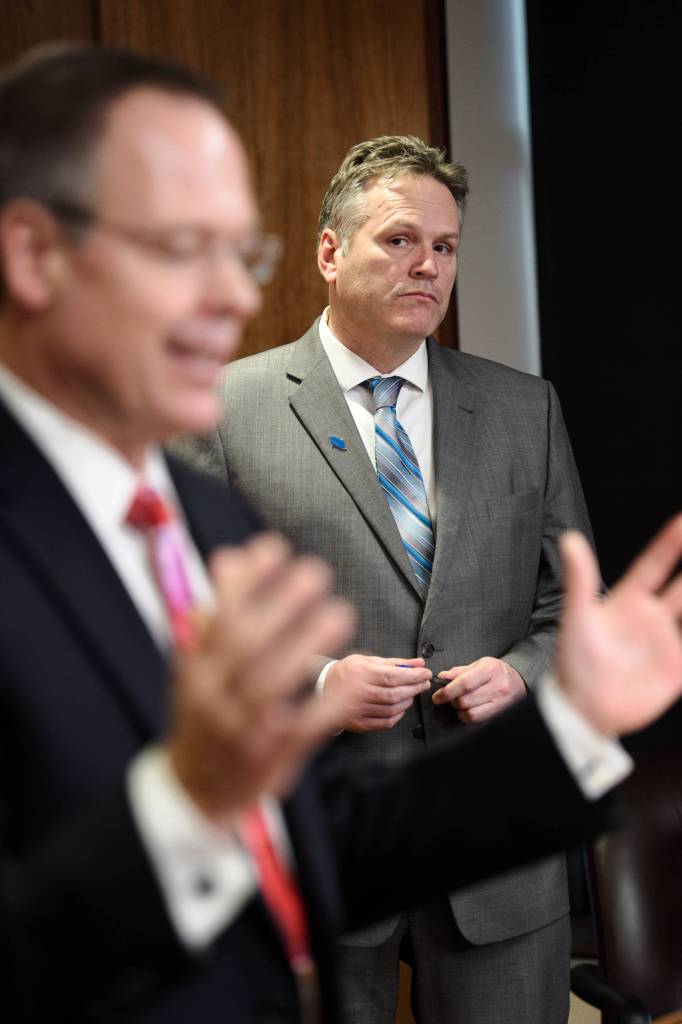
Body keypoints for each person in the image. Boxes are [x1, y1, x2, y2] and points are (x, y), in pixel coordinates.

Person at [1, 44, 681, 1024]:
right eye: (181, 248)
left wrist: (571, 716)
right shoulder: (205, 434)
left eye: (240, 255)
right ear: (34, 255)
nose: (234, 298)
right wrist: (199, 796)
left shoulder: (178, 508)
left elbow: (335, 841)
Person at [174, 135, 594, 1022]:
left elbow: (572, 613)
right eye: (400, 240)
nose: (428, 266)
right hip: (318, 851)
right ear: (330, 253)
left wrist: (522, 674)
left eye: (445, 247)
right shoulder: (223, 409)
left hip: (498, 848)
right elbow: (182, 622)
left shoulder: (526, 407)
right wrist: (319, 684)